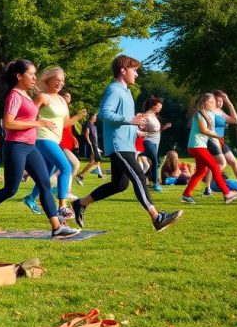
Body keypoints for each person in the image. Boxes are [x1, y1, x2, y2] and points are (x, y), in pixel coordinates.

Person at [70, 55, 183, 232]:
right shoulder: (114, 89)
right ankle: (157, 217)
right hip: (119, 145)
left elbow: (125, 121)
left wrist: (136, 130)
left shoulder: (126, 91)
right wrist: (130, 120)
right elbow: (104, 113)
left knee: (119, 185)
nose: (137, 74)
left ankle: (80, 204)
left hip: (127, 144)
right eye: (134, 70)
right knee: (139, 176)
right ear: (123, 70)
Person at [0, 60, 78, 238]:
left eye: (35, 74)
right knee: (10, 189)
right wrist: (39, 122)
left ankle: (57, 227)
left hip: (30, 146)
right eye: (31, 74)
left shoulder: (27, 95)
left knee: (44, 184)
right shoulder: (14, 95)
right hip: (16, 146)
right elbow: (9, 123)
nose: (35, 77)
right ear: (19, 76)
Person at [22, 69, 86, 218]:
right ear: (48, 80)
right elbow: (26, 117)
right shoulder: (42, 97)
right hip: (42, 138)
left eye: (62, 80)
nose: (60, 83)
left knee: (46, 174)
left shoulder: (63, 100)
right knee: (66, 167)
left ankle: (30, 198)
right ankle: (62, 207)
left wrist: (77, 117)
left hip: (54, 139)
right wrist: (40, 122)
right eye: (57, 80)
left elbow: (65, 123)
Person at [180, 92, 237, 204]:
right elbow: (203, 130)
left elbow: (233, 120)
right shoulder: (199, 114)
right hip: (197, 146)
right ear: (207, 102)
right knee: (215, 166)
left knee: (201, 171)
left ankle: (186, 195)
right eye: (213, 102)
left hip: (199, 146)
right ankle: (228, 194)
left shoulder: (209, 114)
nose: (216, 104)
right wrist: (217, 136)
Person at [203, 90, 237, 193]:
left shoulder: (221, 112)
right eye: (218, 100)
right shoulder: (209, 112)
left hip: (221, 141)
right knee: (218, 164)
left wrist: (229, 102)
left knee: (234, 162)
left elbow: (235, 120)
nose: (220, 102)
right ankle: (208, 186)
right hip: (212, 141)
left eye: (221, 101)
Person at [141, 97, 172, 191]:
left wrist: (165, 127)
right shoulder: (146, 116)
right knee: (155, 160)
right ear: (152, 106)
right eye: (158, 106)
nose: (160, 108)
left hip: (155, 142)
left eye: (161, 107)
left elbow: (156, 129)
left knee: (154, 162)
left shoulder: (154, 116)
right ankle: (155, 183)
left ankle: (143, 177)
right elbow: (139, 127)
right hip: (147, 140)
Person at [57, 89, 83, 198]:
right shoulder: (60, 108)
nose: (70, 98)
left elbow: (67, 127)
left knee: (54, 169)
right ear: (61, 97)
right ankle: (66, 191)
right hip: (60, 142)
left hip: (66, 141)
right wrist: (77, 117)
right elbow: (62, 125)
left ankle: (60, 190)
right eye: (67, 96)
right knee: (75, 164)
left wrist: (73, 138)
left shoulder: (65, 109)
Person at [75, 112, 105, 183]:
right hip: (92, 145)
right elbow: (86, 135)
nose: (96, 118)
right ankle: (80, 175)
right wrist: (90, 145)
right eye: (95, 116)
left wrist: (97, 147)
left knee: (97, 159)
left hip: (95, 145)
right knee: (93, 161)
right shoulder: (88, 123)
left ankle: (99, 174)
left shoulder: (93, 126)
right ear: (91, 117)